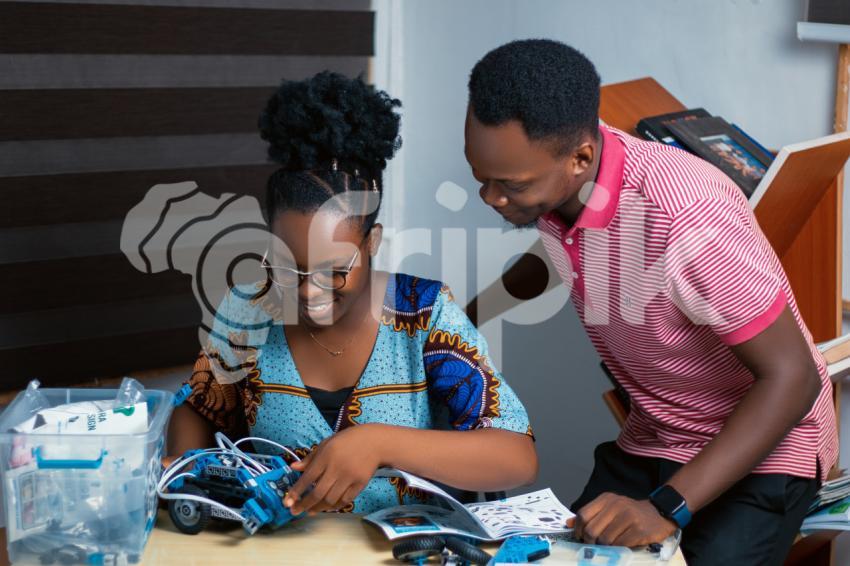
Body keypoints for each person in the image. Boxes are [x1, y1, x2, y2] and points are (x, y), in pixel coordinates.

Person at [464, 39, 836, 565]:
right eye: (481, 179)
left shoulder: (686, 218)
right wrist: (465, 319)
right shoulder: (561, 182)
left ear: (580, 159)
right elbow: (552, 251)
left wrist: (668, 506)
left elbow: (792, 378)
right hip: (656, 432)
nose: (491, 199)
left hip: (767, 446)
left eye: (509, 185)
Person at [167, 72, 537, 516]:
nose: (308, 292)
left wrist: (378, 442)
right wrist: (191, 484)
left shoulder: (424, 315)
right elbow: (200, 409)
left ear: (372, 242)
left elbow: (515, 456)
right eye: (288, 267)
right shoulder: (251, 308)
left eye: (335, 270)